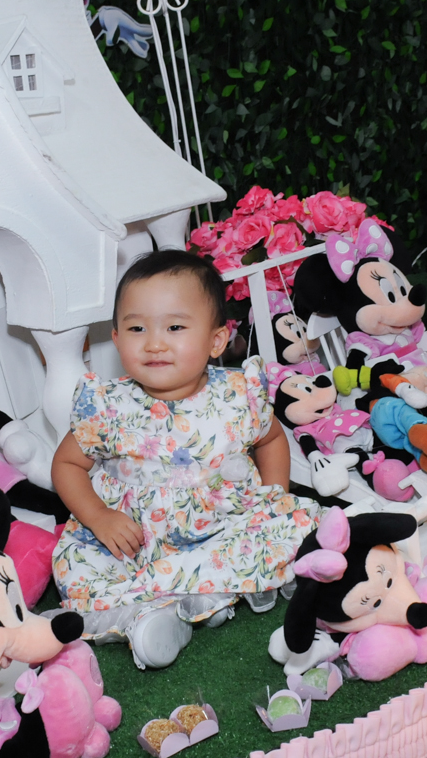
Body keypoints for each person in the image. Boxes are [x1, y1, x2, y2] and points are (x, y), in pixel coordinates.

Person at [50, 251, 321, 669]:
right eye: (137, 328)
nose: (154, 343)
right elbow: (66, 465)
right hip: (133, 539)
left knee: (291, 532)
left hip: (218, 526)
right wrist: (98, 517)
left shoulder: (235, 393)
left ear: (215, 341)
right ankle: (154, 617)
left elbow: (270, 438)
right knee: (77, 570)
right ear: (117, 338)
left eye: (174, 327)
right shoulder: (109, 406)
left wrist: (273, 495)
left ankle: (203, 595)